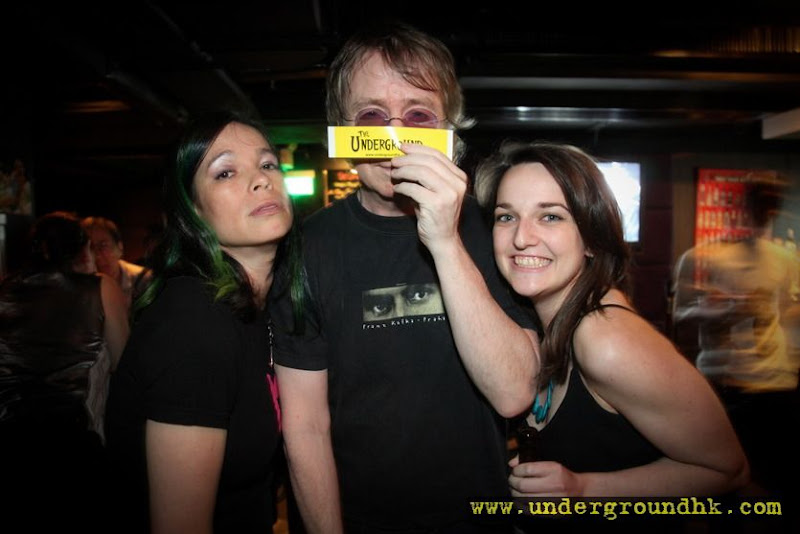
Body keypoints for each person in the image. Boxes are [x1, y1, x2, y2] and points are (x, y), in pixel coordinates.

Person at [269, 21, 539, 534]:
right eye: (372, 116)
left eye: (418, 116)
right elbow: (305, 427)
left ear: (449, 132)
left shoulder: (494, 228)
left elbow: (513, 393)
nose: (394, 136)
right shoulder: (305, 248)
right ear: (344, 131)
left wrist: (445, 242)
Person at [474, 141, 748, 526]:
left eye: (550, 216)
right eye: (506, 217)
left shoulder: (606, 341)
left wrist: (583, 489)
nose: (522, 237)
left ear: (592, 237)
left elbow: (728, 470)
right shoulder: (547, 322)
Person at [104, 110, 302, 533]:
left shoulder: (264, 303)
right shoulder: (193, 322)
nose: (261, 179)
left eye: (268, 164)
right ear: (193, 211)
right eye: (226, 172)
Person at [672, 176, 800, 504]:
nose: (765, 212)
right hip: (721, 381)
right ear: (741, 206)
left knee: (776, 478)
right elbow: (679, 317)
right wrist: (716, 310)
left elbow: (789, 315)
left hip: (774, 383)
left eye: (771, 204)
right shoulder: (703, 257)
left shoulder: (786, 259)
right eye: (758, 202)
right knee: (722, 481)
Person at [1, 210, 129, 531]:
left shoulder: (5, 290)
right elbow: (125, 363)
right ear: (83, 250)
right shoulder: (100, 288)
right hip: (75, 447)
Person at [81, 215, 150, 311]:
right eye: (91, 248)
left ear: (119, 247)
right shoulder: (82, 286)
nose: (97, 255)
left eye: (103, 245)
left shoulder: (143, 279)